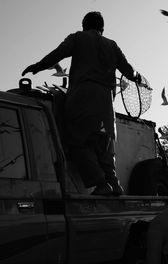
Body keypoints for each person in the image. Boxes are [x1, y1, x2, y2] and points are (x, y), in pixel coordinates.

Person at [22, 11, 142, 195]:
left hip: (83, 97)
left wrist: (38, 66)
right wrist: (138, 76)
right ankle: (115, 185)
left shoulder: (77, 38)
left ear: (84, 26)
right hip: (107, 103)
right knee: (104, 146)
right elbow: (128, 70)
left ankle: (101, 184)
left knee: (76, 141)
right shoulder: (112, 45)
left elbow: (58, 54)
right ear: (102, 27)